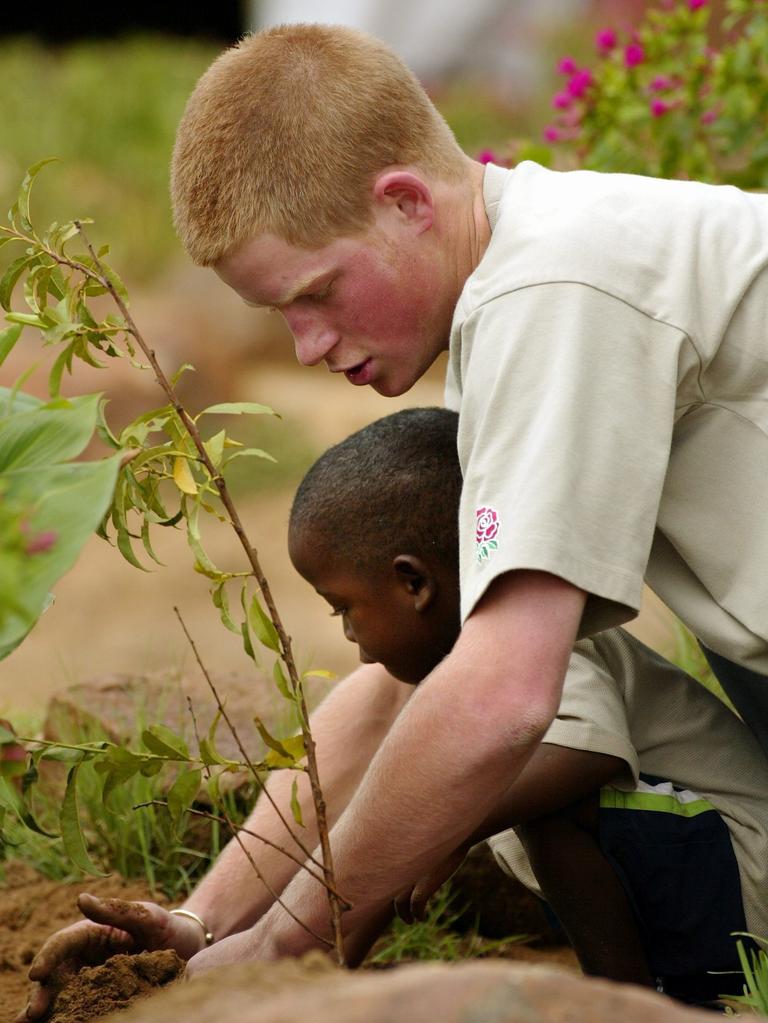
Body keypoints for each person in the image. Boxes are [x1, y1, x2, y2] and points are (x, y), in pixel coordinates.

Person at [20, 20, 768, 1000]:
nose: (306, 346)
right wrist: (209, 923)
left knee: (504, 717)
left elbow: (501, 695)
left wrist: (290, 947)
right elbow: (422, 670)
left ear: (406, 202)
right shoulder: (532, 274)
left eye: (317, 294)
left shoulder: (556, 285)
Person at [17, 410, 768, 1018]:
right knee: (411, 795)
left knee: (532, 802)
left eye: (346, 606)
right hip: (694, 890)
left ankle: (626, 1008)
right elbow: (359, 814)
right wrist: (212, 932)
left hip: (742, 877)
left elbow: (590, 754)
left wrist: (450, 827)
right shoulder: (452, 668)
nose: (346, 633)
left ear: (413, 583)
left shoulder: (526, 649)